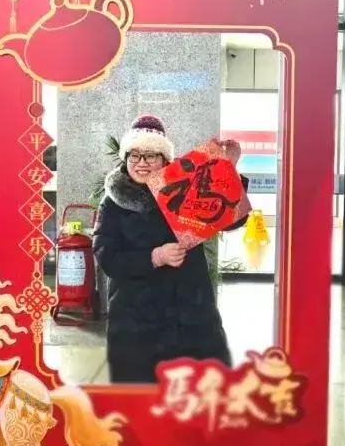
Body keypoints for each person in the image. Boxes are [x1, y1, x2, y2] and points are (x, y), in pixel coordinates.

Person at [93, 115, 245, 384]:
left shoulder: (188, 190)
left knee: (197, 396)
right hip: (135, 322)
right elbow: (106, 256)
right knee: (138, 398)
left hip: (191, 316)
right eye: (134, 155)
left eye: (151, 155)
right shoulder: (113, 202)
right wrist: (154, 257)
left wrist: (227, 170)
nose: (141, 163)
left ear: (165, 160)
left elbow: (232, 219)